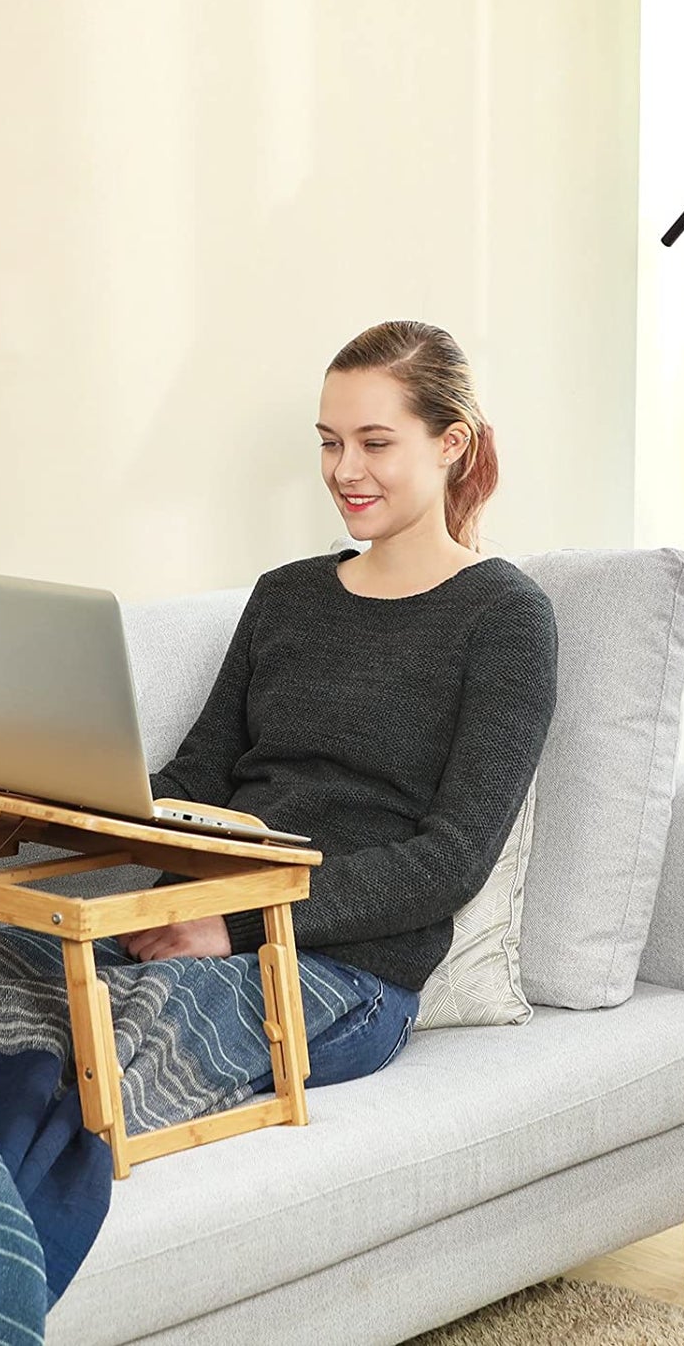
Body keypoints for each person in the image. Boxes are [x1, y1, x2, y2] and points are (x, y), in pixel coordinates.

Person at [113, 318, 559, 1088]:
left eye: (374, 442)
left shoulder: (503, 616)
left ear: (451, 442)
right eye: (329, 441)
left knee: (80, 1053)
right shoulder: (285, 596)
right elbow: (193, 786)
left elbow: (449, 861)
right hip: (195, 927)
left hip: (348, 976)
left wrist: (237, 923)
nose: (344, 468)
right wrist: (30, 793)